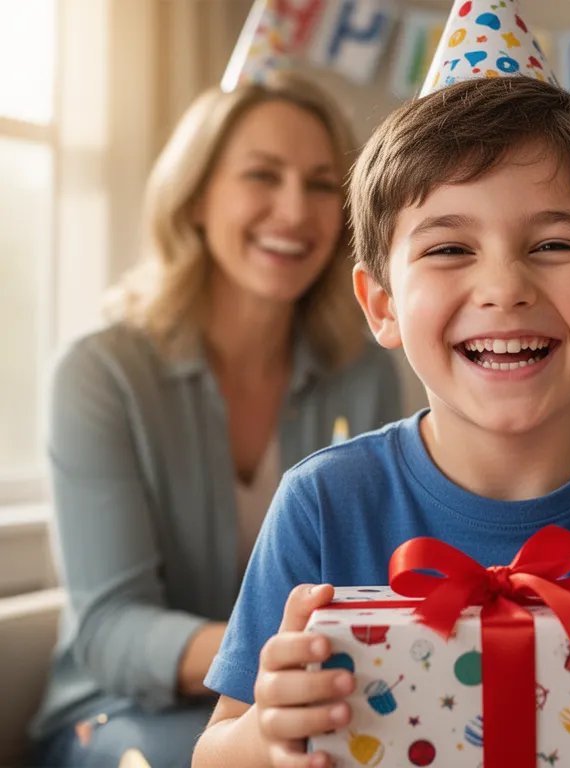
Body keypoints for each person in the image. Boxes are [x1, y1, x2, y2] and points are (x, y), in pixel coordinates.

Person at [191, 74, 570, 768]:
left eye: (553, 245)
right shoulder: (325, 503)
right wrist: (266, 736)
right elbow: (214, 752)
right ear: (381, 305)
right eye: (449, 249)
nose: (504, 289)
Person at [29, 70, 404, 768]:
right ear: (197, 198)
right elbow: (110, 628)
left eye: (322, 184)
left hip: (319, 698)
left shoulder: (365, 370)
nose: (295, 210)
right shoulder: (99, 374)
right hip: (120, 717)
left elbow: (378, 580)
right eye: (263, 175)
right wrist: (277, 665)